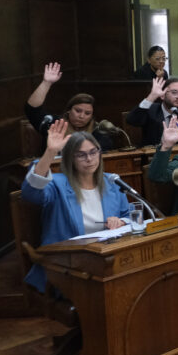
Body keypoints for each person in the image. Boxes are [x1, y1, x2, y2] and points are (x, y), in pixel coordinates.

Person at [22, 120, 130, 291]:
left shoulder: (112, 182)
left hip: (106, 259)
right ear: (70, 158)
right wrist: (50, 152)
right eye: (81, 155)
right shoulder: (57, 185)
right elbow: (31, 193)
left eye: (93, 152)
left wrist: (121, 222)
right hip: (67, 266)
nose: (89, 159)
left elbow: (129, 215)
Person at [24, 61, 114, 153]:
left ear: (92, 115)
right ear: (69, 110)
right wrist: (46, 83)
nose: (81, 116)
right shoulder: (54, 124)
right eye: (78, 111)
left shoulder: (98, 132)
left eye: (87, 113)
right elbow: (32, 110)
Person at [126, 76, 178, 147]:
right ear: (162, 95)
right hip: (153, 155)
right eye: (174, 92)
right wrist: (152, 96)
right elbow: (131, 120)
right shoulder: (152, 110)